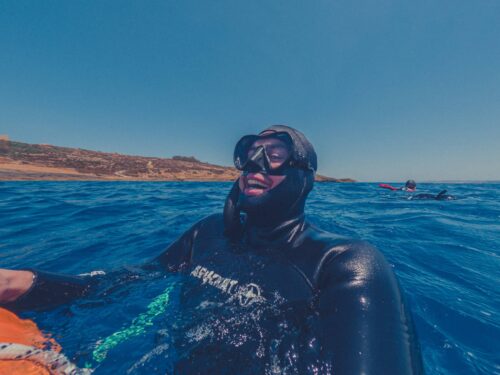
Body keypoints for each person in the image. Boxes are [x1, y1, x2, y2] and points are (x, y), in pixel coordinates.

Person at [0, 125, 423, 374]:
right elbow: (124, 283)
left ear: (304, 177)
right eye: (248, 154)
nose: (255, 164)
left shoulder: (343, 263)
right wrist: (29, 283)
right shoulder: (207, 234)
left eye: (274, 155)